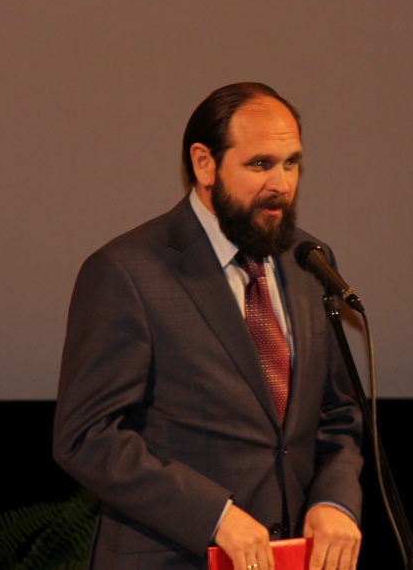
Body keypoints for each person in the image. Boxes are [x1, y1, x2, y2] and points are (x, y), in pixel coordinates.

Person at [52, 82, 364, 570]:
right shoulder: (126, 271)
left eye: (291, 163)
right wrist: (214, 516)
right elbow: (88, 436)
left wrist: (334, 500)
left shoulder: (309, 262)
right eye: (260, 164)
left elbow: (336, 413)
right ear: (204, 164)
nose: (282, 184)